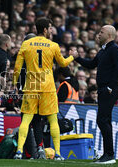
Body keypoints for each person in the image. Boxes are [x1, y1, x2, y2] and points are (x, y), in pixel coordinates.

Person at [13, 18, 78, 160]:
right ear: (44, 30)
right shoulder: (53, 45)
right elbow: (62, 63)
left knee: (26, 120)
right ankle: (59, 154)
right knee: (53, 120)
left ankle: (19, 151)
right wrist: (73, 56)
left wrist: (14, 83)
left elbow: (17, 68)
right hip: (48, 87)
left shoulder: (26, 44)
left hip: (31, 86)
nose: (51, 31)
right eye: (50, 28)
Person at [73, 25, 118, 164]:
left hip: (109, 89)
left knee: (102, 120)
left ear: (110, 35)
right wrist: (77, 58)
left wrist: (110, 87)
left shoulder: (115, 50)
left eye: (102, 32)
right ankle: (108, 154)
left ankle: (109, 154)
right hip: (103, 89)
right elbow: (91, 64)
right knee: (104, 120)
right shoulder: (103, 51)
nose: (99, 34)